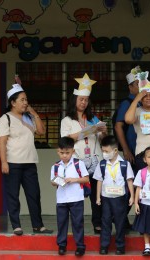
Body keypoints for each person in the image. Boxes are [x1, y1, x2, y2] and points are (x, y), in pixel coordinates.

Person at [0, 75, 52, 236]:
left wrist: (33, 112)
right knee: (13, 195)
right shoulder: (5, 119)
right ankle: (16, 225)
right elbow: (2, 142)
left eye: (26, 99)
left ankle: (37, 225)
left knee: (34, 195)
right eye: (22, 100)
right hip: (12, 162)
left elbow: (41, 131)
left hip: (30, 162)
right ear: (13, 102)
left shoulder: (28, 117)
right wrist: (3, 162)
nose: (25, 102)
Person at [60, 73, 107, 234]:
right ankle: (76, 225)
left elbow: (101, 140)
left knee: (97, 194)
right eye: (81, 99)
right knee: (77, 195)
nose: (83, 102)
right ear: (74, 100)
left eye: (86, 100)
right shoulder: (67, 120)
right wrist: (85, 132)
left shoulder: (93, 119)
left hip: (96, 160)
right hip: (77, 162)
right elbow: (65, 141)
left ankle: (97, 222)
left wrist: (102, 131)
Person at [93, 136, 134, 255]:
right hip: (106, 198)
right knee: (105, 221)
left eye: (106, 151)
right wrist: (98, 197)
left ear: (115, 151)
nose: (104, 153)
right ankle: (104, 246)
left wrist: (131, 196)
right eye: (103, 151)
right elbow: (99, 181)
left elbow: (129, 180)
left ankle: (120, 246)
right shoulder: (102, 164)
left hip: (120, 198)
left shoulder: (124, 164)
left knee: (120, 222)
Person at [51, 137, 89, 256]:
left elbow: (86, 179)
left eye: (67, 153)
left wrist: (74, 180)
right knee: (61, 222)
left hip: (76, 198)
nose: (64, 155)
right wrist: (59, 181)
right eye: (62, 153)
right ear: (58, 151)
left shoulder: (79, 163)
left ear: (73, 151)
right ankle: (62, 245)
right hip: (61, 199)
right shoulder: (56, 166)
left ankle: (80, 246)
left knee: (77, 222)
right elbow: (52, 182)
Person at [115, 65, 141, 170]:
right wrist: (126, 150)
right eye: (137, 84)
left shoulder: (145, 102)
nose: (141, 86)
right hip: (132, 149)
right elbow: (118, 126)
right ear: (130, 87)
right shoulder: (127, 103)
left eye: (142, 83)